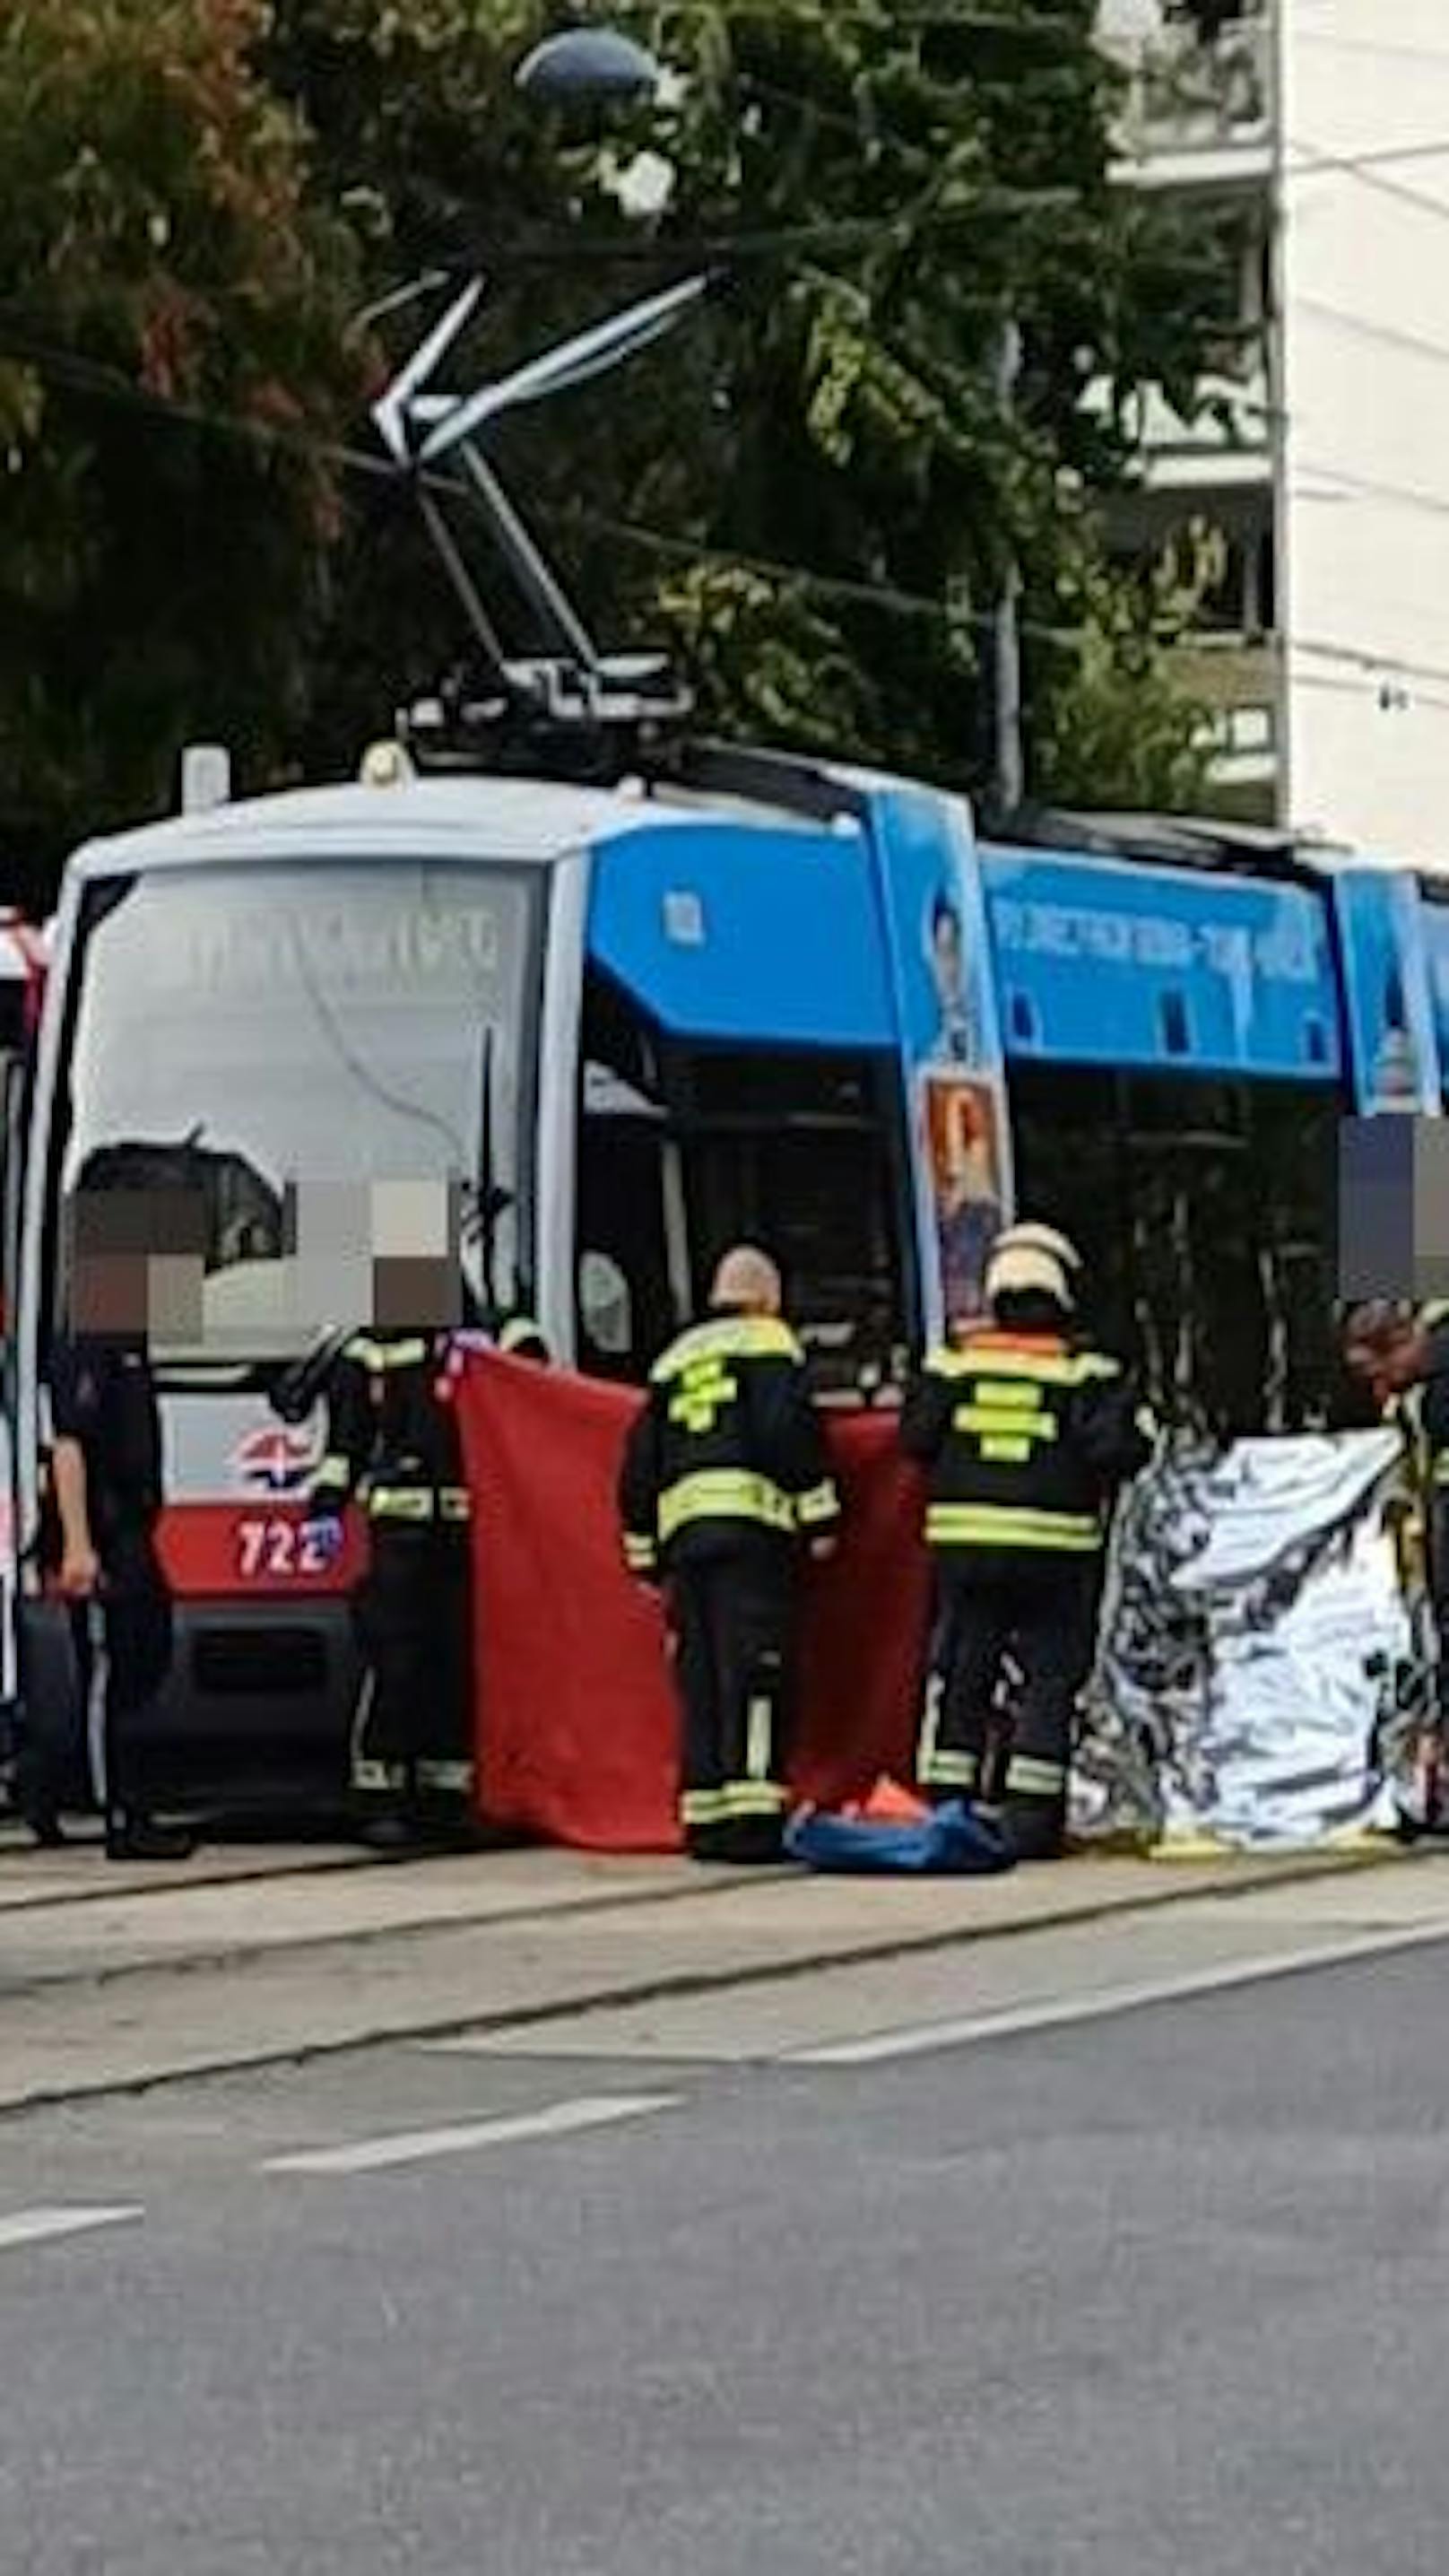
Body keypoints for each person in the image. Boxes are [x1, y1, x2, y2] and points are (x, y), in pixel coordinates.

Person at [899, 1232, 1150, 1860]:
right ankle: (1031, 1821)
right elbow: (1115, 1450)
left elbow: (915, 1437)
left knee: (964, 1675)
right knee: (1048, 1680)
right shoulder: (1083, 1370)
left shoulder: (953, 1362)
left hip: (965, 1550)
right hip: (1055, 1553)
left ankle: (946, 1805)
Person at [618, 1246, 840, 1862]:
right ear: (767, 1299)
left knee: (702, 1679)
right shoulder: (770, 1345)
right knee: (757, 1675)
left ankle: (705, 1818)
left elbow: (638, 1468)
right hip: (752, 1539)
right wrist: (819, 1514)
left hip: (686, 1547)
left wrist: (643, 1556)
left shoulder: (673, 1360)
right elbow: (785, 1432)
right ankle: (753, 1819)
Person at [307, 1327, 481, 1851]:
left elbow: (524, 1357)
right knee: (395, 1661)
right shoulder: (365, 1351)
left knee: (450, 1662)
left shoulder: (469, 1336)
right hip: (396, 1532)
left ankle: (445, 1798)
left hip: (455, 1527)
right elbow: (345, 1441)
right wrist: (326, 1505)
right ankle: (380, 1797)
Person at [45, 1334, 194, 1861]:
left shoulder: (132, 1345)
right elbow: (69, 1446)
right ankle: (120, 1813)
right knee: (114, 1672)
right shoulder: (89, 1344)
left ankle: (50, 1786)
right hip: (105, 1535)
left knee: (147, 1653)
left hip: (133, 1528)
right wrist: (79, 1544)